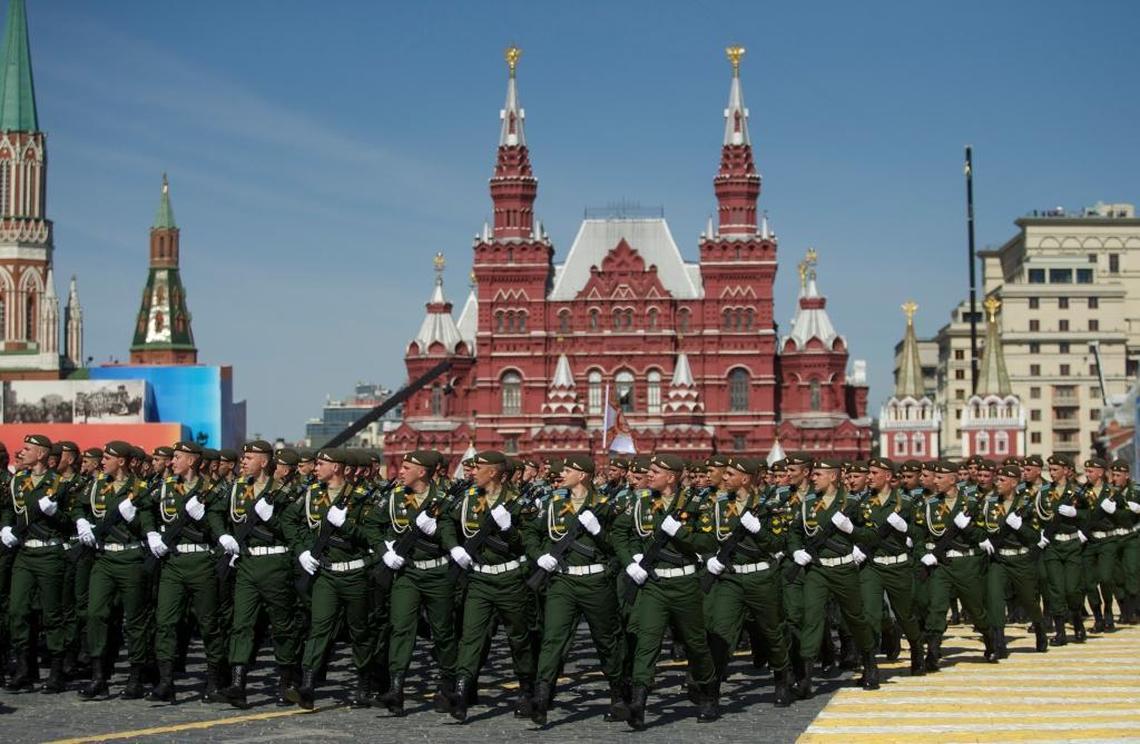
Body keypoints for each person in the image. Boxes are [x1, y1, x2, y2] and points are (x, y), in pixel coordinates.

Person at [611, 453, 719, 729]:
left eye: (655, 472)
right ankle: (639, 703)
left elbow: (707, 542)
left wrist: (680, 533)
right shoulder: (640, 502)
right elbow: (620, 534)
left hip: (685, 583)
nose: (649, 475)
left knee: (695, 643)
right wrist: (631, 560)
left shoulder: (698, 503)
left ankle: (708, 693)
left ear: (671, 477)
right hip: (654, 584)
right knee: (646, 643)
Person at [526, 454, 627, 725]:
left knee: (607, 640)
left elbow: (617, 547)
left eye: (568, 470)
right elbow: (531, 533)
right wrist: (539, 556)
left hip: (595, 582)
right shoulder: (553, 503)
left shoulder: (605, 507)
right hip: (563, 581)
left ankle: (619, 694)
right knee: (553, 638)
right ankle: (541, 697)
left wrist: (599, 534)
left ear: (582, 475)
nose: (562, 474)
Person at [288, 448, 380, 710]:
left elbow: (372, 537)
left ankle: (364, 685)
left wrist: (347, 526)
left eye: (320, 464)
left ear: (337, 467)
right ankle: (307, 685)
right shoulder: (311, 495)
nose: (315, 468)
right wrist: (303, 550)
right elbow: (292, 523)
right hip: (326, 573)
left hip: (354, 573)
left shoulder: (362, 498)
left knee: (359, 630)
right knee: (319, 628)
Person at [449, 450, 538, 723]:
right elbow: (446, 523)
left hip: (510, 579)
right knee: (471, 637)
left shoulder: (519, 503)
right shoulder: (467, 501)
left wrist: (510, 529)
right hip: (479, 579)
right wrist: (454, 547)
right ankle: (462, 692)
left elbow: (530, 542)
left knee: (519, 638)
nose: (473, 471)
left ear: (495, 472)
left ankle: (526, 690)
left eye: (480, 467)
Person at [703, 457, 793, 706]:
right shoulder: (718, 505)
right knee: (720, 633)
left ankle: (782, 678)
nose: (724, 478)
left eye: (730, 474)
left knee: (771, 632)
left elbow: (776, 544)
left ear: (745, 479)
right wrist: (710, 558)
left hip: (761, 576)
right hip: (730, 577)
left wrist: (758, 530)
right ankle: (712, 692)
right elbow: (707, 537)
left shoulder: (769, 505)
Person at [375, 450, 459, 717]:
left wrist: (440, 535)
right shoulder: (394, 498)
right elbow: (371, 526)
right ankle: (396, 690)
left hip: (437, 574)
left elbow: (451, 531)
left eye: (406, 467)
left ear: (422, 471)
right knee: (401, 628)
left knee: (443, 632)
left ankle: (447, 687)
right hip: (407, 574)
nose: (400, 471)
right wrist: (384, 550)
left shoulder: (445, 500)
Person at [786, 459, 879, 697]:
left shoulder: (852, 504)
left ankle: (869, 665)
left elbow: (870, 535)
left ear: (833, 477)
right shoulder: (807, 504)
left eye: (818, 474)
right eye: (813, 474)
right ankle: (805, 679)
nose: (813, 478)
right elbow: (795, 533)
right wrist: (797, 551)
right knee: (812, 619)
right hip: (817, 570)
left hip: (844, 569)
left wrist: (851, 530)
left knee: (855, 617)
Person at [218, 441, 300, 708]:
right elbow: (214, 513)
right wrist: (223, 534)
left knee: (282, 625)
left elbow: (291, 532)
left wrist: (271, 519)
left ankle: (287, 682)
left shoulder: (283, 493)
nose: (243, 461)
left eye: (249, 458)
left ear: (264, 462)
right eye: (243, 457)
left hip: (275, 563)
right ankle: (238, 685)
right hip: (247, 563)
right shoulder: (236, 489)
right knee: (242, 624)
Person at [146, 441, 228, 702]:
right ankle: (166, 682)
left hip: (201, 561)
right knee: (166, 622)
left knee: (208, 624)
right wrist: (151, 533)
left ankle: (214, 682)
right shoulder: (166, 486)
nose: (172, 462)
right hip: (173, 561)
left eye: (178, 457)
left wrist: (202, 516)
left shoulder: (211, 489)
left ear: (191, 461)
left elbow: (218, 525)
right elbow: (146, 509)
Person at [74, 441, 154, 699]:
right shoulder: (96, 485)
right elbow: (78, 505)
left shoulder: (140, 489)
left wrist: (135, 518)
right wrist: (82, 521)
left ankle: (136, 676)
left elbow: (150, 526)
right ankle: (99, 676)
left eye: (109, 457)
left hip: (131, 557)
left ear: (122, 461)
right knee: (96, 614)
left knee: (134, 620)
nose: (103, 460)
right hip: (104, 558)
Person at [913, 460, 998, 670]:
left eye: (940, 478)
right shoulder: (929, 505)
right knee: (937, 607)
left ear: (953, 479)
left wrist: (968, 528)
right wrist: (924, 554)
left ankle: (990, 640)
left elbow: (984, 536)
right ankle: (932, 652)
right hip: (941, 564)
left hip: (966, 562)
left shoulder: (972, 502)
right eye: (935, 477)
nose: (935, 481)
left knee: (975, 608)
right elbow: (918, 536)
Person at [2, 434, 69, 693]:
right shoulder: (18, 480)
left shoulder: (59, 484)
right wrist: (6, 527)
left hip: (49, 554)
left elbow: (71, 522)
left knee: (52, 614)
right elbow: (10, 508)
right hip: (25, 554)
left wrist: (56, 513)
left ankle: (55, 671)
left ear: (41, 454)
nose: (23, 451)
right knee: (18, 611)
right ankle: (24, 669)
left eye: (28, 449)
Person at [854, 457, 925, 675]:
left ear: (887, 476)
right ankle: (870, 666)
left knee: (905, 616)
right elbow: (855, 530)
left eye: (875, 473)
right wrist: (855, 546)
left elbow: (921, 534)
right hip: (872, 566)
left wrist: (906, 529)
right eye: (869, 472)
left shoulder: (907, 502)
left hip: (898, 566)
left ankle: (916, 650)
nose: (870, 477)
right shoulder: (863, 502)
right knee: (869, 615)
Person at [980, 464, 1049, 656]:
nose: (998, 483)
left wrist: (1020, 527)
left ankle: (1039, 627)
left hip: (1021, 558)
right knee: (994, 598)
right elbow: (980, 526)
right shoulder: (990, 503)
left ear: (1014, 482)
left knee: (1029, 599)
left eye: (1002, 480)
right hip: (999, 559)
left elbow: (1035, 537)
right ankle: (999, 642)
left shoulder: (1026, 503)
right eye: (997, 479)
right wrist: (982, 539)